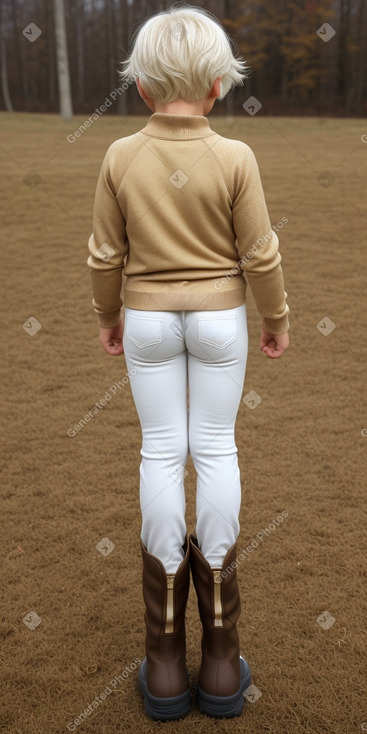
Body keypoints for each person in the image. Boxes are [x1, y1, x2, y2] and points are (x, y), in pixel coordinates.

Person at [87, 4, 290, 722]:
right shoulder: (235, 156)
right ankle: (222, 658)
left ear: (141, 88)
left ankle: (165, 662)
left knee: (160, 455)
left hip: (144, 319)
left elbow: (105, 254)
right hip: (217, 320)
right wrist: (276, 318)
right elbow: (258, 252)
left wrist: (108, 316)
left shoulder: (119, 155)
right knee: (215, 450)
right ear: (217, 85)